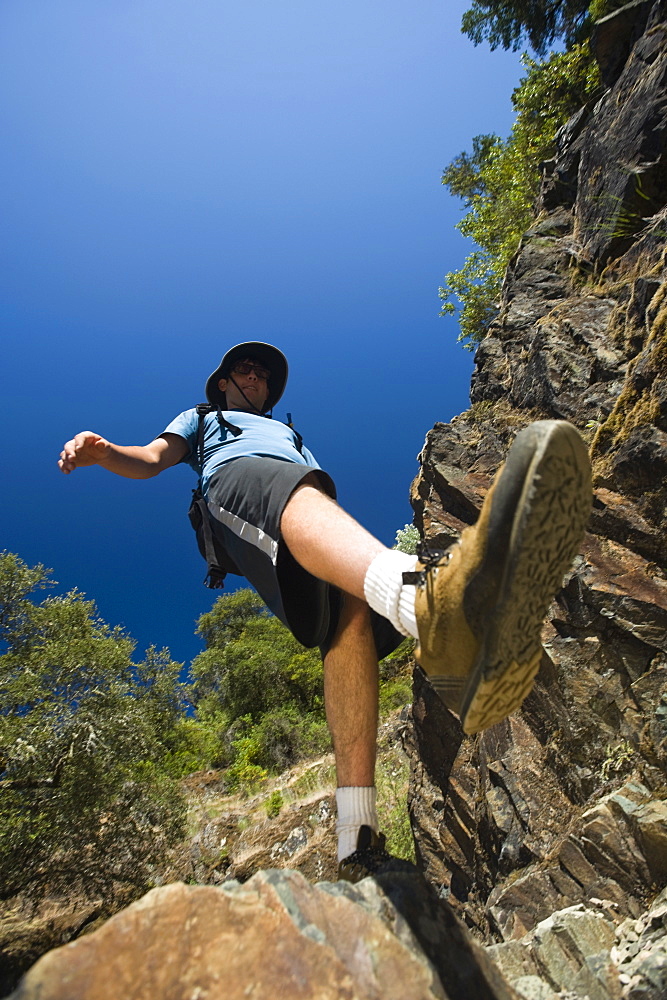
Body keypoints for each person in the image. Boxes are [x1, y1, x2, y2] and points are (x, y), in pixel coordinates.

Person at [58, 341, 592, 881]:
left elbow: (310, 497)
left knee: (351, 613)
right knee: (301, 500)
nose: (257, 376)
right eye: (245, 368)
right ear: (222, 381)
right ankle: (426, 600)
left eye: (264, 373)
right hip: (239, 484)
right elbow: (151, 459)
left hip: (303, 506)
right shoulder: (202, 418)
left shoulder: (290, 434)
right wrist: (104, 453)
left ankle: (355, 839)